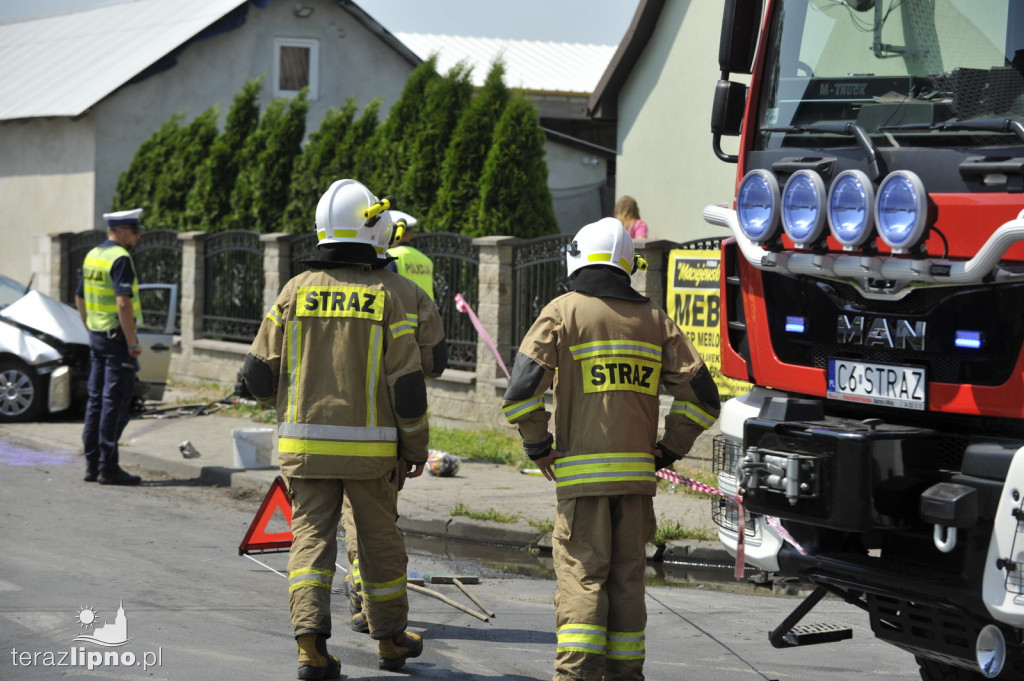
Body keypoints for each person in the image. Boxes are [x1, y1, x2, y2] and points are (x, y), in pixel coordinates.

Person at [501, 217, 721, 681]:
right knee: (626, 583)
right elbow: (704, 396)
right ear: (627, 266)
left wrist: (539, 445)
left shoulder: (562, 312)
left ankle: (575, 676)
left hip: (582, 485)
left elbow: (521, 391)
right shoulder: (655, 321)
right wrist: (667, 451)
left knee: (583, 579)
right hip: (637, 483)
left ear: (577, 258)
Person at [239, 179, 429, 679]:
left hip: (305, 452)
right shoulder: (385, 297)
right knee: (379, 544)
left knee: (310, 545)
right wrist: (415, 449)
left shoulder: (293, 292)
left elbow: (257, 377)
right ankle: (389, 640)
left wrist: (287, 399)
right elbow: (408, 386)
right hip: (372, 455)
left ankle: (310, 650)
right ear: (374, 232)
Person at [341, 208, 449, 634]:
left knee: (355, 514)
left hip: (341, 412)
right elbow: (435, 362)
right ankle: (377, 606)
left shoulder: (334, 285)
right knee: (380, 514)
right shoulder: (414, 276)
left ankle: (364, 593)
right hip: (394, 415)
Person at [75, 208, 145, 486]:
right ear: (122, 231)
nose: (138, 238)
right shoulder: (120, 258)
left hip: (97, 335)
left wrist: (89, 325)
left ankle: (92, 465)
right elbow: (123, 303)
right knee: (114, 402)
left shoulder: (93, 255)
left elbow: (79, 297)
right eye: (135, 231)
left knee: (96, 400)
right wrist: (133, 342)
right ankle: (108, 467)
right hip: (117, 340)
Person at [385, 211, 435, 299]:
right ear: (411, 234)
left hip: (401, 312)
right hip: (426, 312)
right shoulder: (427, 260)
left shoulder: (390, 257)